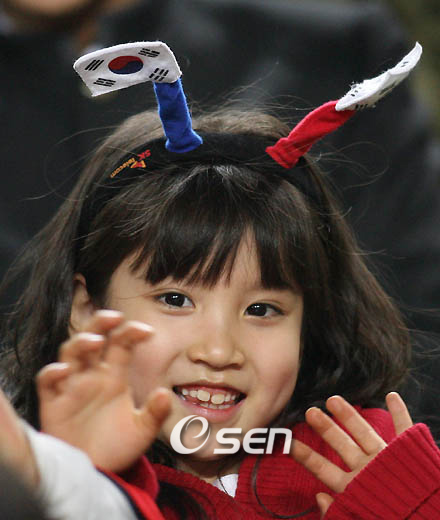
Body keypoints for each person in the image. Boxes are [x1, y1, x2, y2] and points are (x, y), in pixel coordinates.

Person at [1, 42, 439, 516]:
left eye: (262, 310)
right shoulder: (42, 481)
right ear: (87, 310)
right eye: (175, 299)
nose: (217, 351)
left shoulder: (368, 462)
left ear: (310, 322)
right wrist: (80, 483)